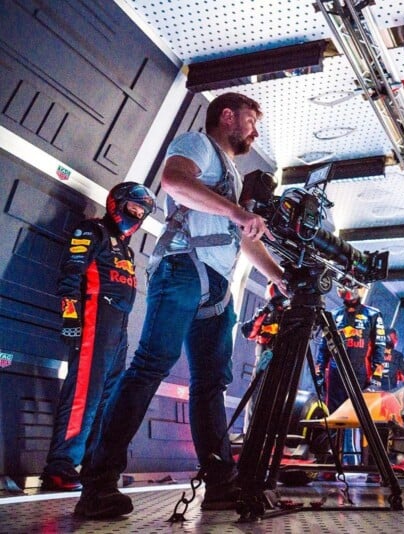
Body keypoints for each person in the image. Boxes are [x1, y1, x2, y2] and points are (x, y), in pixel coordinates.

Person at [74, 92, 286, 519]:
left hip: (216, 284)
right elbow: (173, 181)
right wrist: (237, 212)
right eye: (251, 120)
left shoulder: (231, 173)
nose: (254, 131)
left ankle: (220, 484)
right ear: (227, 116)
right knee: (150, 365)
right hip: (183, 267)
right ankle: (97, 484)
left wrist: (279, 277)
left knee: (211, 383)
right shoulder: (197, 144)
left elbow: (243, 236)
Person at [40, 183, 155, 492]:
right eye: (133, 208)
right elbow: (70, 275)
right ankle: (60, 466)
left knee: (108, 400)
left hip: (119, 328)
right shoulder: (92, 231)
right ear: (116, 204)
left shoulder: (127, 249)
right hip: (95, 319)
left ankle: (92, 464)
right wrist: (70, 317)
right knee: (84, 396)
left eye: (141, 212)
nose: (137, 214)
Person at [316, 286, 386, 467]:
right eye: (343, 285)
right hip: (335, 374)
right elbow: (323, 348)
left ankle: (358, 463)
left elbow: (380, 346)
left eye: (352, 285)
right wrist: (319, 372)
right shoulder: (332, 315)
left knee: (359, 418)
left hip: (361, 374)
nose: (347, 289)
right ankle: (332, 463)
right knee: (333, 417)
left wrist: (377, 377)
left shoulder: (373, 314)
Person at [239, 282, 290, 431]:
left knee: (279, 399)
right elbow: (248, 332)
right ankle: (249, 433)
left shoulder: (291, 315)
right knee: (255, 397)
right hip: (263, 361)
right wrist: (264, 312)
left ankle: (272, 434)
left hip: (283, 363)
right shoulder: (264, 313)